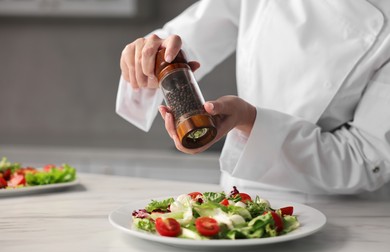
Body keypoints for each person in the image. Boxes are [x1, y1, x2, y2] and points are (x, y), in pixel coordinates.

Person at [116, 0, 390, 198]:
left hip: (339, 210)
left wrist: (250, 121)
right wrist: (150, 58)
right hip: (239, 195)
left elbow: (366, 157)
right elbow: (186, 39)